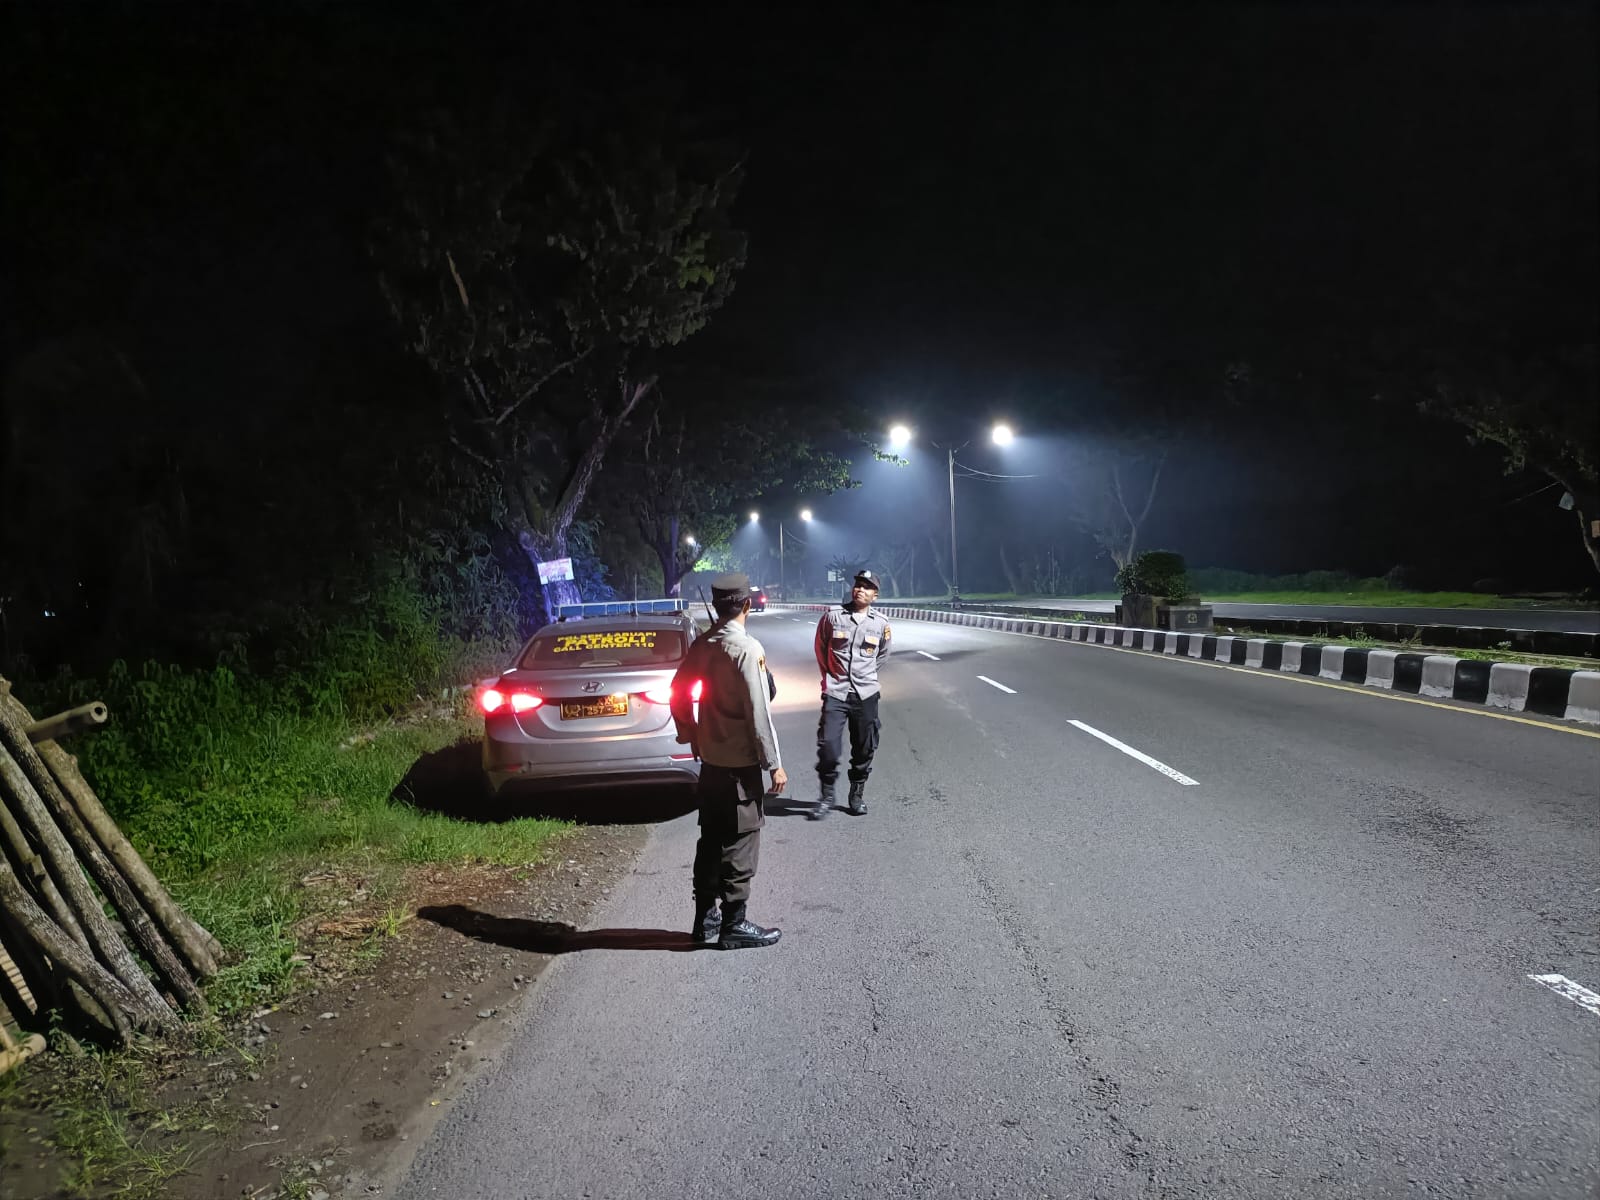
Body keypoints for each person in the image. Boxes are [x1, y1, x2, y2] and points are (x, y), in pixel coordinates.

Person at [670, 573, 787, 949]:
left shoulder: (702, 646)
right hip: (740, 765)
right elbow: (758, 712)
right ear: (747, 605)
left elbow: (676, 693)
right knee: (741, 840)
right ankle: (734, 924)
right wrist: (774, 763)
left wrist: (689, 733)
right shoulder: (747, 650)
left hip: (711, 764)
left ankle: (704, 920)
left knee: (711, 839)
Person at [811, 568, 891, 819]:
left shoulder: (880, 624)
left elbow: (883, 655)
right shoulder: (834, 617)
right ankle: (826, 794)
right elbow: (820, 648)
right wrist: (831, 677)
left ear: (875, 595)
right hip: (836, 692)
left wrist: (864, 676)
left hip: (866, 694)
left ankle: (856, 795)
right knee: (828, 747)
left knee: (864, 748)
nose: (860, 589)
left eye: (866, 587)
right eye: (857, 584)